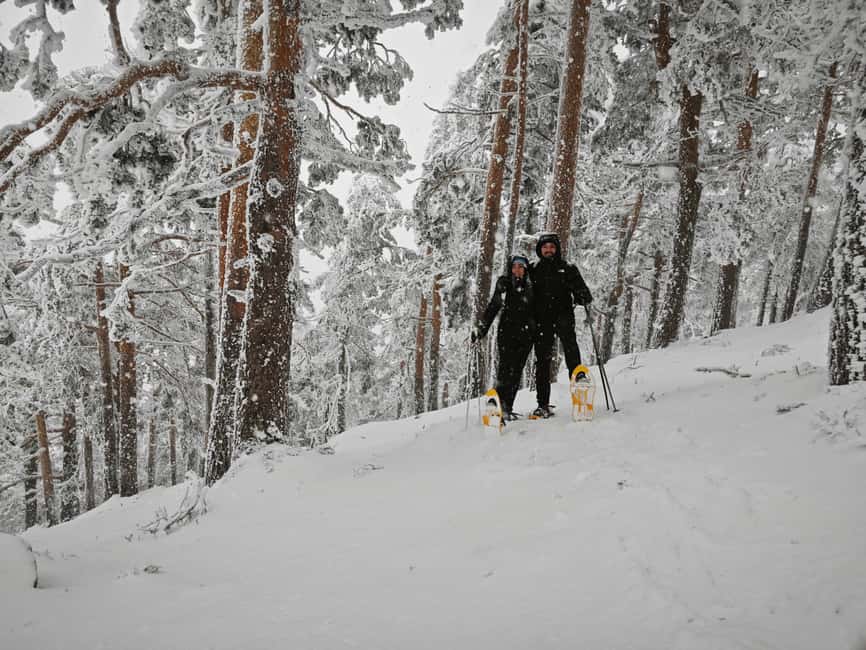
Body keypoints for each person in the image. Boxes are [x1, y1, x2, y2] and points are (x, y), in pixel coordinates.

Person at [529, 232, 592, 418]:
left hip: (563, 316)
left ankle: (580, 384)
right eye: (545, 247)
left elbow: (583, 291)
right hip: (542, 321)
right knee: (542, 361)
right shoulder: (533, 269)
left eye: (552, 247)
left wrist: (582, 296)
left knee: (571, 349)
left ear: (557, 249)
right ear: (540, 250)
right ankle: (543, 404)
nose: (549, 250)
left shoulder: (567, 268)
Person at [473, 254, 536, 420]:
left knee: (516, 372)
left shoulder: (532, 286)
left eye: (521, 267)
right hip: (507, 333)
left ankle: (507, 407)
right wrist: (481, 329)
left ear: (525, 269)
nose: (517, 270)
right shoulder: (504, 283)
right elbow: (494, 306)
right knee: (505, 369)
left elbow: (542, 309)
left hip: (526, 335)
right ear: (511, 268)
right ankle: (498, 404)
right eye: (515, 266)